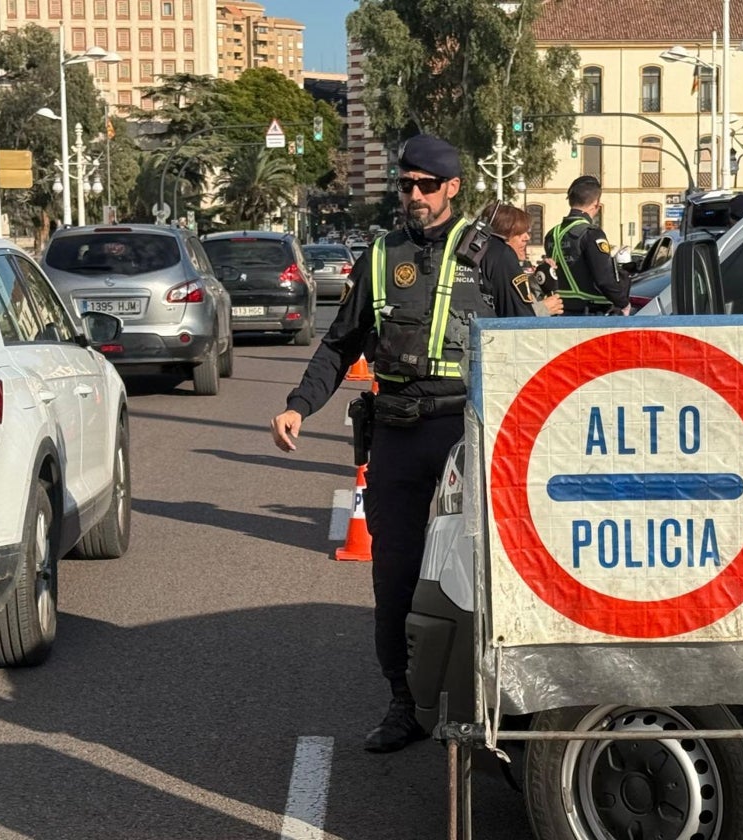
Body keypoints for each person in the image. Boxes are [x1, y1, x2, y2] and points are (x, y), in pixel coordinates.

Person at [269, 134, 536, 753]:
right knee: (395, 577)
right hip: (397, 438)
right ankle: (404, 704)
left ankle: (500, 707)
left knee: (486, 577)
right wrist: (298, 405)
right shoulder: (382, 256)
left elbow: (527, 350)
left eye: (425, 185)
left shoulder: (492, 257)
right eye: (405, 184)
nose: (413, 196)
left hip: (465, 442)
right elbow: (341, 342)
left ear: (452, 187)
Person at [544, 176, 630, 315]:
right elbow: (604, 279)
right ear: (596, 203)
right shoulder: (591, 234)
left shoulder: (551, 235)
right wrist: (623, 303)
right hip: (590, 313)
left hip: (560, 311)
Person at [481, 202, 564, 316]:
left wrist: (538, 281)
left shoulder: (488, 263)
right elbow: (512, 317)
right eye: (519, 233)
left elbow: (520, 301)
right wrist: (543, 309)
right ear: (501, 236)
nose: (527, 238)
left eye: (527, 232)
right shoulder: (502, 260)